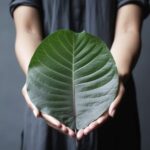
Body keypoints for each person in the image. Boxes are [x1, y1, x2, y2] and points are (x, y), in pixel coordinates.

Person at [9, 0, 149, 150]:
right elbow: (27, 29)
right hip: (50, 100)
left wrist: (113, 79)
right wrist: (37, 79)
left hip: (109, 100)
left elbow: (128, 28)